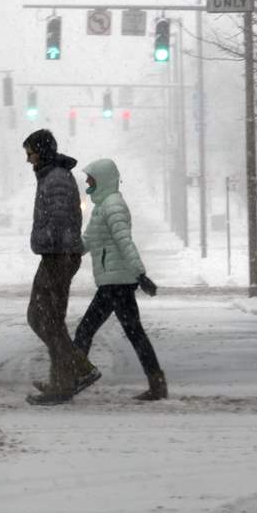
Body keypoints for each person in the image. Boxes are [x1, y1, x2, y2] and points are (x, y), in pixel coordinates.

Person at [74, 157, 168, 401]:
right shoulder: (103, 206)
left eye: (90, 178)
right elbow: (89, 241)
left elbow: (125, 241)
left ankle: (71, 378)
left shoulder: (113, 206)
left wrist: (140, 273)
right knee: (133, 332)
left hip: (117, 283)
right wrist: (67, 249)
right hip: (114, 281)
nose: (87, 183)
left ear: (103, 179)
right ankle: (157, 383)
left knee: (86, 330)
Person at [22, 129, 100, 405]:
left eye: (30, 153)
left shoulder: (55, 178)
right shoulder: (52, 175)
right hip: (58, 254)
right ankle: (62, 382)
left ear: (41, 152)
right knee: (49, 320)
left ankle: (81, 369)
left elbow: (58, 221)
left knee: (41, 318)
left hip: (59, 255)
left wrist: (46, 243)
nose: (28, 159)